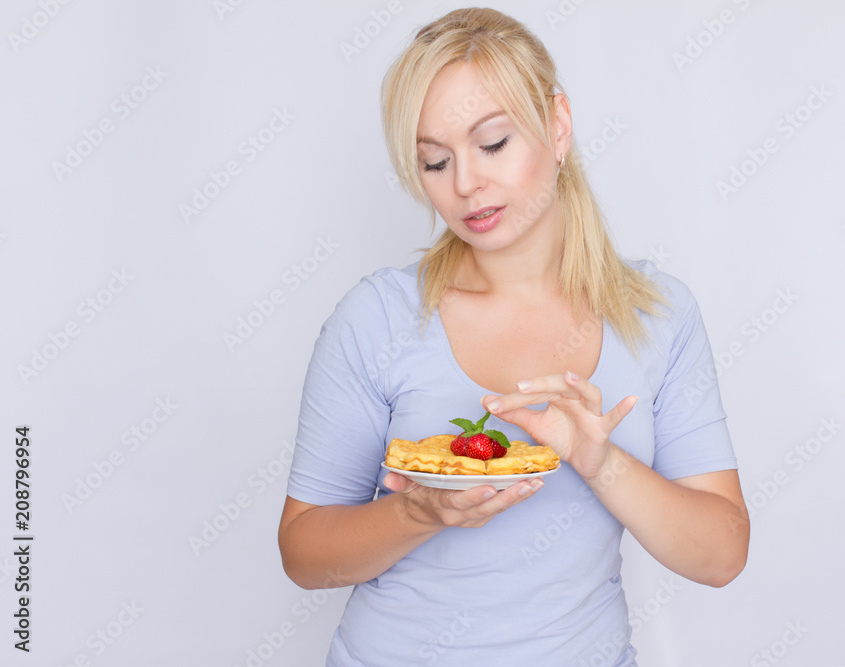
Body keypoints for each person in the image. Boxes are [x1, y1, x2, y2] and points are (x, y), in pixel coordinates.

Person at [278, 7, 749, 665]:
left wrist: (601, 461)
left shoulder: (659, 314)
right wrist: (419, 514)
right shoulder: (376, 318)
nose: (466, 184)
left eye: (492, 143)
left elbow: (722, 554)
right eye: (435, 161)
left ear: (557, 126)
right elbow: (304, 554)